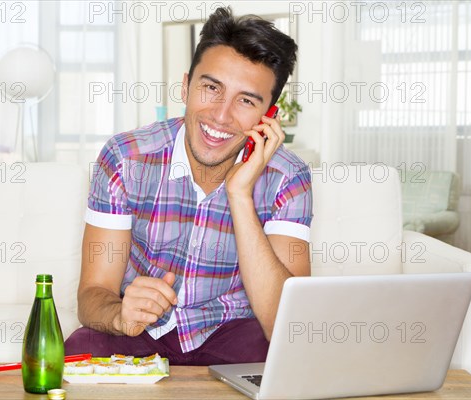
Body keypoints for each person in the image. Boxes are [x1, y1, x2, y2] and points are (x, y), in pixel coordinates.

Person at [64, 6, 312, 365]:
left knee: (285, 360)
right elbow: (92, 295)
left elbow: (286, 326)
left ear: (268, 116)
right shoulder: (125, 157)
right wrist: (119, 314)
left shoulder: (288, 177)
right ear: (186, 86)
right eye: (211, 88)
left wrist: (239, 194)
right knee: (77, 349)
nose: (221, 115)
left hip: (231, 331)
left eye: (246, 101)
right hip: (143, 333)